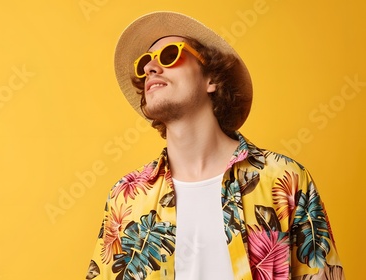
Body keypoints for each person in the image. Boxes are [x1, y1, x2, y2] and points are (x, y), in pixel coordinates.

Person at [85, 11, 344, 280]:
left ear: (212, 79)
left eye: (170, 54)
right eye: (145, 64)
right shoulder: (125, 197)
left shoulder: (284, 179)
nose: (151, 68)